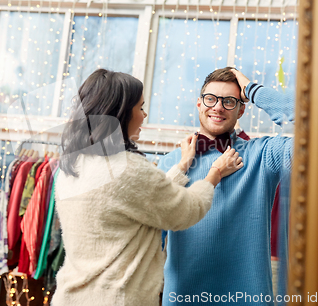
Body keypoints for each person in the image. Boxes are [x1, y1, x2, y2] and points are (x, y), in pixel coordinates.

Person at [51, 69, 244, 306]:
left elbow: (137, 199)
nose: (144, 115)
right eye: (140, 107)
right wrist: (215, 173)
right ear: (121, 113)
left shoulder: (73, 165)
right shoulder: (127, 168)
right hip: (115, 299)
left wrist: (182, 165)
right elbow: (187, 210)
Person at [158, 67, 294, 305]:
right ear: (199, 103)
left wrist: (254, 90)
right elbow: (150, 234)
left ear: (242, 109)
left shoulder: (264, 155)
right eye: (211, 99)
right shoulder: (171, 163)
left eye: (229, 101)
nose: (218, 107)